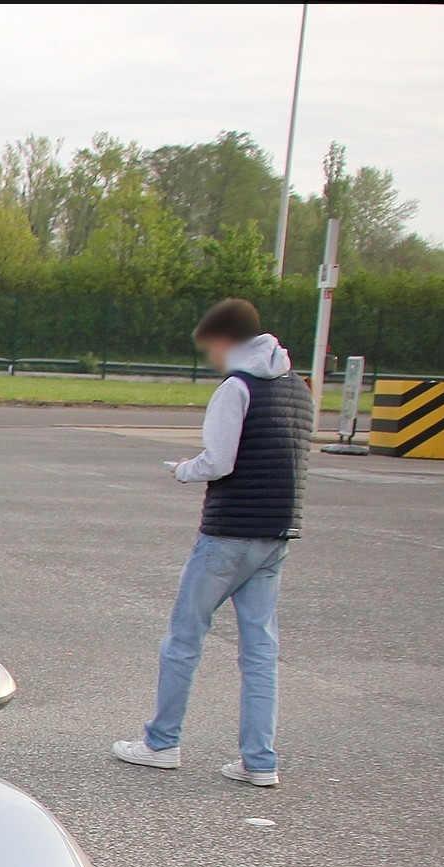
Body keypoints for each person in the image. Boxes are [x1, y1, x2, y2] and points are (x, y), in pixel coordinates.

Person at [112, 297, 310, 788]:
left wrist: (184, 470)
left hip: (228, 533)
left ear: (227, 340)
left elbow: (220, 460)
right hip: (276, 532)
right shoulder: (298, 388)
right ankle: (259, 760)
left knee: (185, 636)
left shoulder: (236, 388)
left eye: (213, 347)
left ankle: (162, 741)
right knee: (260, 650)